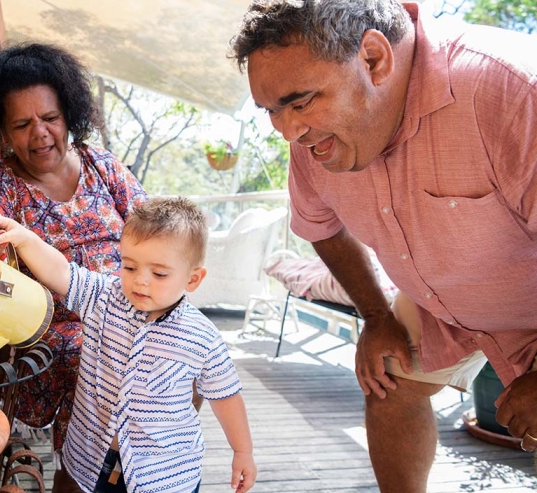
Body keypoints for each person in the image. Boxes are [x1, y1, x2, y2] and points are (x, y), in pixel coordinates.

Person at [230, 1, 537, 492]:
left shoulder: (509, 88)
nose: (287, 131)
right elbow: (320, 226)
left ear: (373, 59)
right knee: (388, 380)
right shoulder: (313, 142)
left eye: (301, 101)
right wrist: (376, 316)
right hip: (440, 301)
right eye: (272, 111)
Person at [0, 196, 257, 493]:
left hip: (165, 474)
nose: (140, 281)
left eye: (159, 273)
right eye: (129, 267)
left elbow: (226, 397)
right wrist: (24, 239)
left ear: (193, 279)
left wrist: (243, 452)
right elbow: (61, 271)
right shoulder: (102, 298)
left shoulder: (202, 338)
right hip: (92, 459)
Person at [0, 43, 147, 466]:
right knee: (102, 366)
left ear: (69, 116)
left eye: (50, 118)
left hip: (131, 311)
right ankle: (96, 472)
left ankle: (149, 466)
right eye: (22, 124)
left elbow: (152, 231)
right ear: (4, 133)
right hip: (58, 334)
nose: (40, 133)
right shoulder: (0, 185)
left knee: (185, 349)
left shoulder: (102, 166)